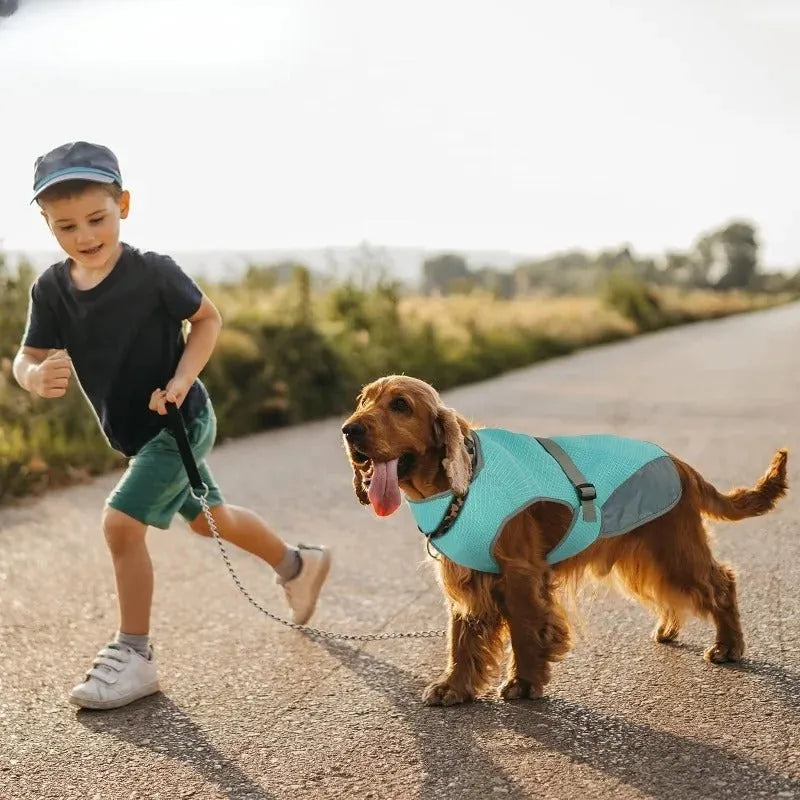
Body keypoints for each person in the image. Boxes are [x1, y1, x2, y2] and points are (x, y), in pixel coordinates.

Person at [12, 141, 331, 710]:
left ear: (123, 206)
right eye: (66, 226)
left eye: (96, 218)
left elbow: (207, 319)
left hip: (181, 420)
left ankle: (134, 655)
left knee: (120, 525)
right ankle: (297, 565)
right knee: (211, 521)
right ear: (47, 225)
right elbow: (26, 355)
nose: (85, 235)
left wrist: (183, 378)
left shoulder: (152, 272)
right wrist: (33, 376)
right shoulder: (52, 289)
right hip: (137, 437)